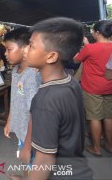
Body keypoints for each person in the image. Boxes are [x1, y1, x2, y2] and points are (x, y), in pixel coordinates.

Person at [26, 17, 93, 179]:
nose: (25, 50)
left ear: (51, 56)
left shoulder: (45, 100)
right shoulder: (71, 82)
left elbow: (44, 161)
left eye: (31, 46)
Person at [74, 20, 112, 156]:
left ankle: (96, 148)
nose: (92, 33)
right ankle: (110, 146)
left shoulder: (90, 48)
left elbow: (76, 59)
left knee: (95, 118)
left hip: (93, 88)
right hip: (111, 86)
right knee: (109, 117)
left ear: (98, 32)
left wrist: (82, 47)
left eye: (93, 31)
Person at [3, 27, 40, 167]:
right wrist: (9, 121)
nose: (5, 54)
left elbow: (36, 114)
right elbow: (15, 100)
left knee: (33, 165)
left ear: (25, 49)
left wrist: (28, 146)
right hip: (21, 130)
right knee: (26, 162)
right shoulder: (15, 70)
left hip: (31, 136)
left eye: (9, 49)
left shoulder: (32, 75)